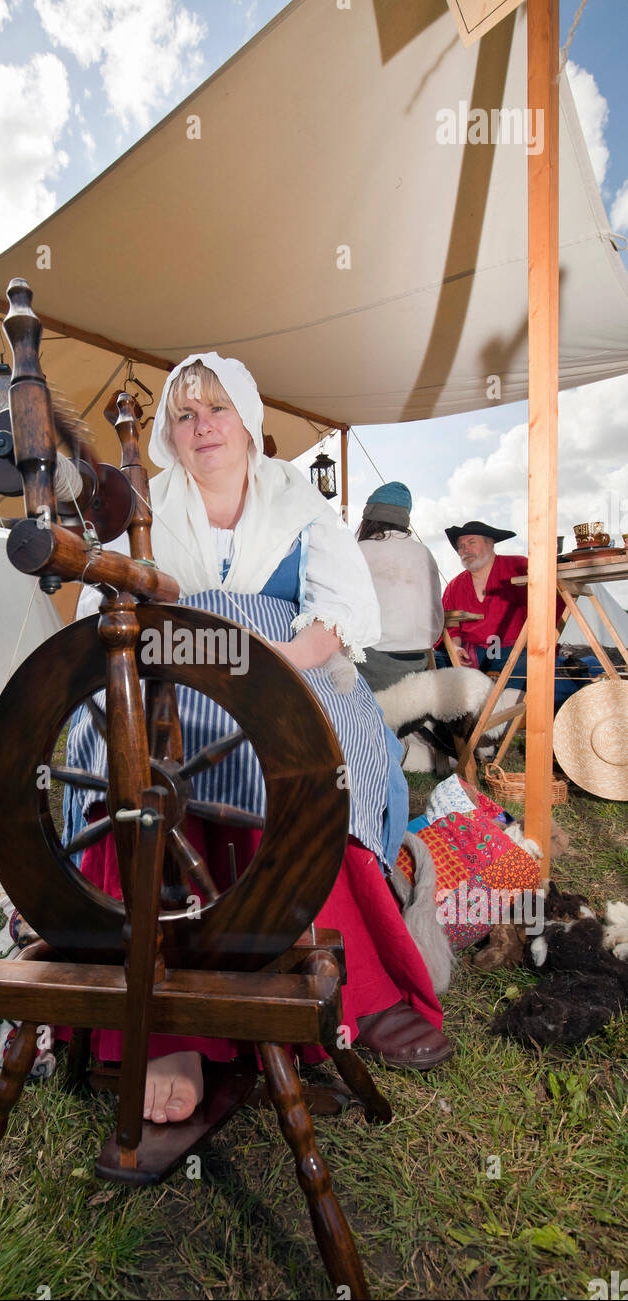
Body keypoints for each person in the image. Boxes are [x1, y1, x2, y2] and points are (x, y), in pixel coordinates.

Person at [63, 354, 451, 1123]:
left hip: (291, 660)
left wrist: (261, 669)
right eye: (185, 414)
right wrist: (192, 663)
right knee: (131, 754)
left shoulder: (298, 502)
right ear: (171, 434)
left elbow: (336, 619)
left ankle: (358, 985)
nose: (203, 426)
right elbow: (99, 623)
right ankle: (168, 1028)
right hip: (169, 675)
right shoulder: (144, 505)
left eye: (218, 410)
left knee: (319, 746)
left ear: (248, 420)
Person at [434, 521, 580, 708]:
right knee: (429, 663)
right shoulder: (454, 586)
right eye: (461, 546)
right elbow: (449, 624)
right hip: (473, 655)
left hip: (516, 651)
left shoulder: (518, 566)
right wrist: (455, 648)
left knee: (535, 666)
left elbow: (550, 600)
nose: (465, 550)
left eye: (471, 542)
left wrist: (535, 640)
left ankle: (500, 722)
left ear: (490, 543)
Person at [354, 482, 443, 691]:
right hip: (420, 660)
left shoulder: (360, 550)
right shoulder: (424, 553)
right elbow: (436, 619)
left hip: (374, 666)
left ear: (369, 518)